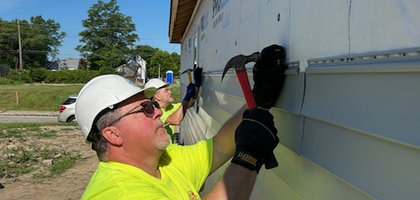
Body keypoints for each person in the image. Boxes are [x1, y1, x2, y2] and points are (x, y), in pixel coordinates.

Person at [75, 44, 287, 199]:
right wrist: (248, 159)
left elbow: (220, 146)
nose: (157, 112)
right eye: (145, 108)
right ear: (113, 134)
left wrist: (258, 99)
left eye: (153, 104)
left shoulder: (165, 160)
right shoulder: (117, 194)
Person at [144, 77, 198, 143]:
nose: (170, 92)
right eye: (166, 90)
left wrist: (197, 86)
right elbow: (175, 120)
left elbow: (189, 104)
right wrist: (187, 96)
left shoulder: (170, 107)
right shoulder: (153, 112)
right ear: (157, 96)